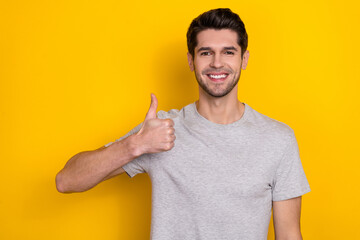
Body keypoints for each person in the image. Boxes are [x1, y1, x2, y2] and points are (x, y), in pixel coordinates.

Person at [56, 8, 311, 240]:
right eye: (206, 52)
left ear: (244, 59)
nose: (217, 63)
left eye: (228, 52)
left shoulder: (278, 140)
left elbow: (289, 234)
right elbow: (66, 181)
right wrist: (135, 145)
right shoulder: (160, 131)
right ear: (191, 61)